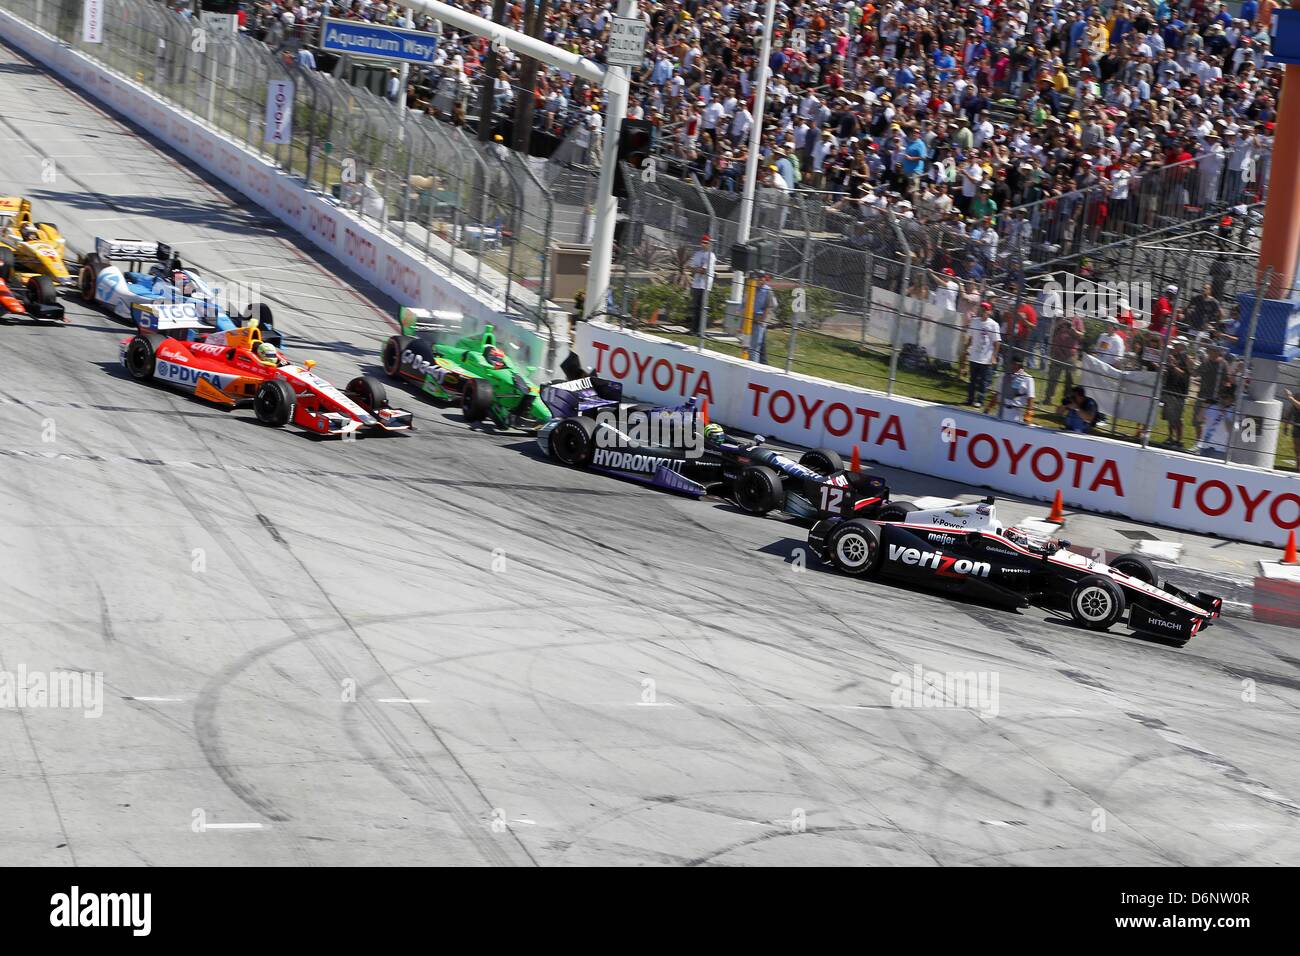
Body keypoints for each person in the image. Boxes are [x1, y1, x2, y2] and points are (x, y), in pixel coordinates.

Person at [966, 301, 1001, 407]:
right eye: (981, 309)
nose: (982, 311)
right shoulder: (974, 322)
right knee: (972, 380)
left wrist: (994, 356)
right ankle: (970, 399)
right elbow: (970, 337)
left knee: (983, 380)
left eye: (985, 310)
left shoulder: (994, 325)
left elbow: (997, 342)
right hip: (974, 356)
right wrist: (966, 349)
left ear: (989, 312)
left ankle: (980, 400)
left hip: (986, 357)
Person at [1045, 312, 1084, 405]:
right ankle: (1048, 398)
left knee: (1069, 380)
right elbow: (1049, 331)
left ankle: (1067, 403)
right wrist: (1059, 323)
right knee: (1052, 377)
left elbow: (1081, 336)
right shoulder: (1058, 317)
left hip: (1070, 354)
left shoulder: (1077, 320)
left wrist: (1073, 329)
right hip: (1057, 353)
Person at [1161, 338, 1193, 448]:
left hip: (1179, 392)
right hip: (1169, 389)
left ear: (1182, 347)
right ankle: (1171, 437)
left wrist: (1173, 366)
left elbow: (1185, 375)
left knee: (1177, 418)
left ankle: (1179, 440)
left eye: (1177, 345)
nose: (1174, 348)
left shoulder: (1186, 358)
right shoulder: (1172, 357)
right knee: (1169, 417)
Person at [687, 234, 716, 334]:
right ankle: (693, 329)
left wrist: (696, 269)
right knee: (695, 307)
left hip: (705, 285)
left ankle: (700, 330)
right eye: (702, 242)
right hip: (696, 284)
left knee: (702, 308)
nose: (704, 244)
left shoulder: (711, 256)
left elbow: (704, 270)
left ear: (709, 244)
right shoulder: (697, 254)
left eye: (706, 243)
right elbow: (691, 268)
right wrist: (696, 269)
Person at [995, 355, 1036, 423]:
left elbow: (1030, 397)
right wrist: (988, 409)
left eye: (1016, 364)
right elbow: (997, 393)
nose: (1014, 366)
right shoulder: (1004, 375)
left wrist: (1029, 411)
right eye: (1012, 364)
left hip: (1016, 413)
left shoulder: (1028, 378)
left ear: (1021, 365)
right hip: (1001, 410)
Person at [749, 272, 776, 364]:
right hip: (752, 318)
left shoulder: (768, 291)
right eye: (758, 278)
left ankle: (754, 365)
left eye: (761, 278)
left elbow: (769, 307)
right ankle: (760, 363)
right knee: (754, 345)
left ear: (765, 279)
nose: (759, 280)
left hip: (760, 320)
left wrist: (762, 320)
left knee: (755, 346)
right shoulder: (754, 289)